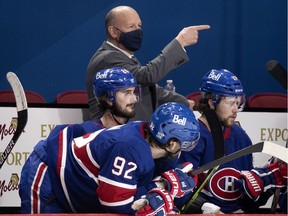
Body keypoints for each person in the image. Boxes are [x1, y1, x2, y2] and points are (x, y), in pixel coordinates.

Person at [21, 102, 200, 214]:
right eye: (184, 143)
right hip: (49, 174)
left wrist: (169, 183)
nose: (184, 149)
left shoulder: (145, 138)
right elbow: (115, 203)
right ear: (171, 143)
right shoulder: (130, 149)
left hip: (73, 184)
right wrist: (162, 185)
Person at [19, 67, 140, 213]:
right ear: (108, 98)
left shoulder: (129, 135)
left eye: (134, 91)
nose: (133, 99)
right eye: (127, 93)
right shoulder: (85, 133)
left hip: (71, 190)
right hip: (45, 174)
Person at [178, 69, 287, 213]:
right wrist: (206, 209)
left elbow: (248, 204)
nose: (236, 109)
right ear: (212, 101)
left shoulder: (240, 137)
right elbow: (179, 193)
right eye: (230, 102)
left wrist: (269, 183)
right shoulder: (192, 137)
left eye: (238, 103)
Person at [86, 5, 210, 121]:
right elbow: (147, 76)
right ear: (113, 32)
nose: (138, 31)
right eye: (131, 26)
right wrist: (180, 42)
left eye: (139, 25)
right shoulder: (108, 58)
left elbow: (148, 88)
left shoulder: (124, 56)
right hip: (112, 136)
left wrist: (184, 102)